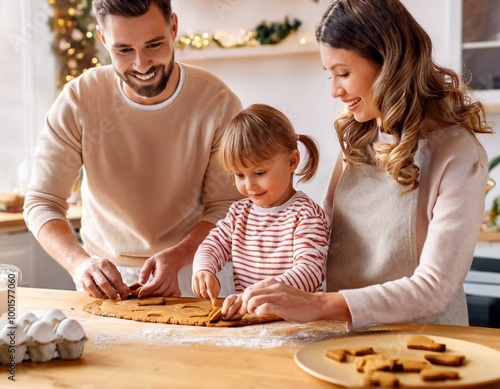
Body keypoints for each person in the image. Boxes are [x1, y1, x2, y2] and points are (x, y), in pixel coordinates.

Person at [235, 0, 494, 330]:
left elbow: (434, 288)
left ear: (389, 62)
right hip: (344, 341)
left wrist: (318, 304)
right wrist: (264, 294)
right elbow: (320, 244)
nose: (334, 90)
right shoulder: (357, 139)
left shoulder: (457, 153)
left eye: (343, 73)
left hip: (427, 346)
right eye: (330, 75)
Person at [23, 0, 243, 300]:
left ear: (174, 27)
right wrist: (80, 264)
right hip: (104, 277)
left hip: (196, 271)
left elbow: (227, 207)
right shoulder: (79, 99)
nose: (142, 65)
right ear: (103, 39)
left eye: (154, 44)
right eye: (124, 50)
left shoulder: (217, 101)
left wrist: (178, 256)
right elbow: (42, 202)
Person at [191, 104, 330, 318]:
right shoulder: (239, 214)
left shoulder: (306, 215)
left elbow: (309, 272)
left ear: (292, 161)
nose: (250, 185)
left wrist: (256, 295)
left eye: (259, 172)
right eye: (239, 175)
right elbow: (211, 246)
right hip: (251, 321)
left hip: (297, 322)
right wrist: (203, 269)